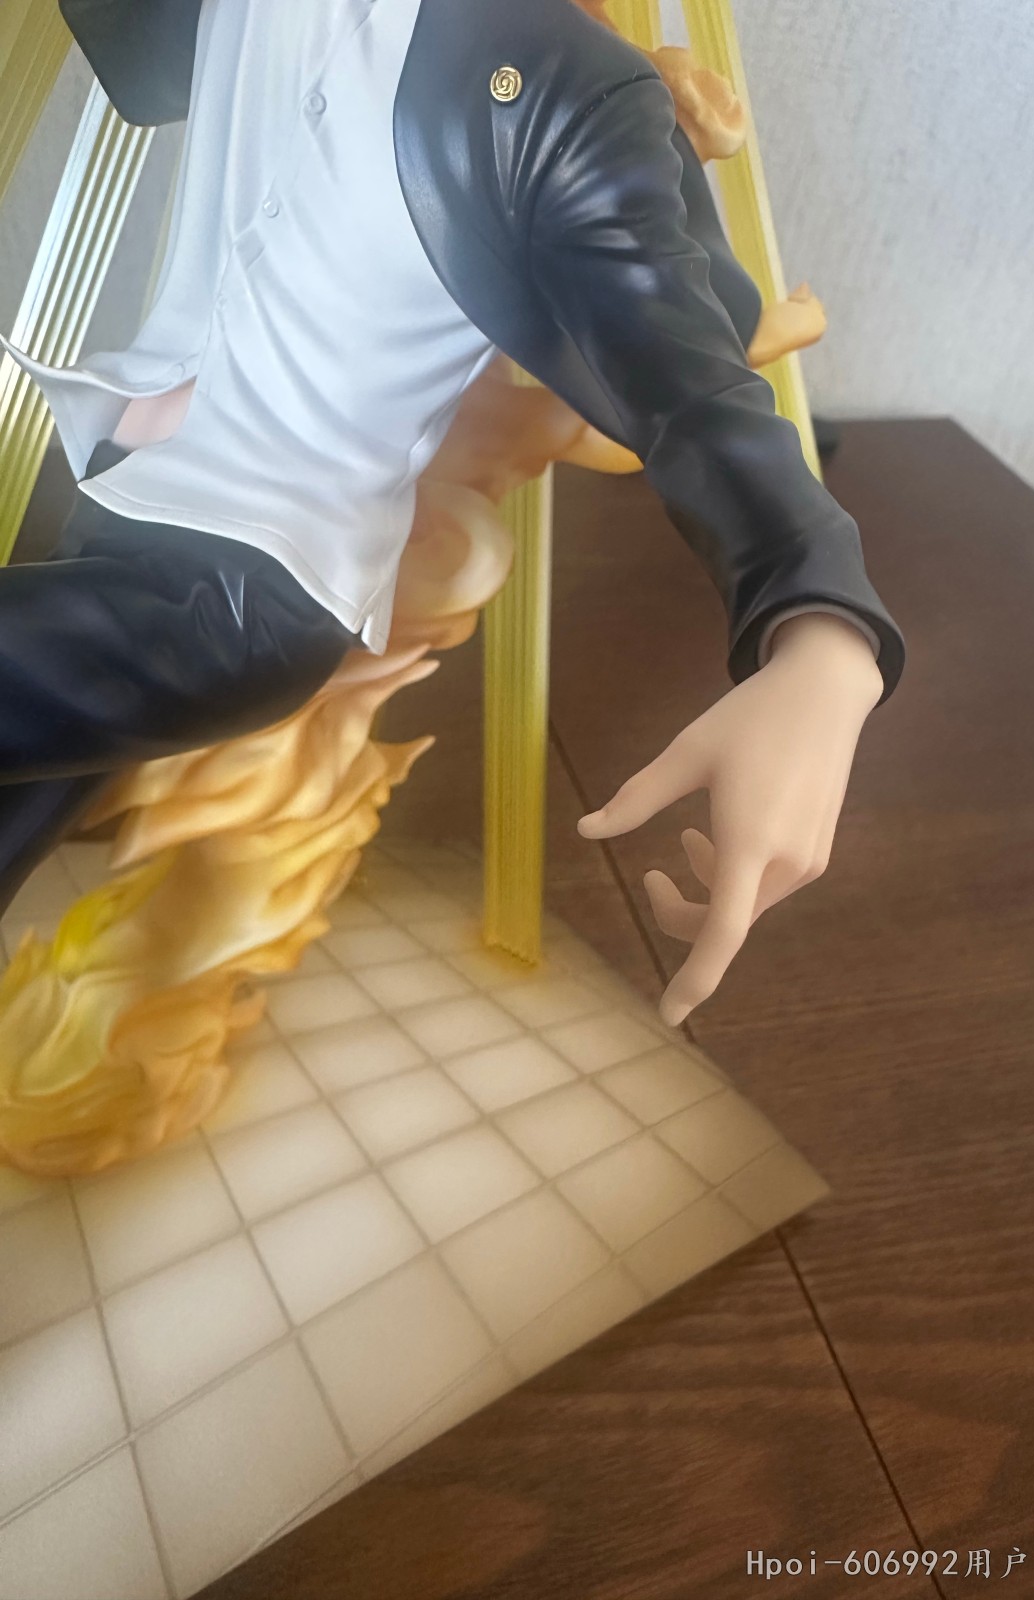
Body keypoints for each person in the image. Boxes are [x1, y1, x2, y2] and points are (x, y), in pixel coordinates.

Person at [0, 0, 905, 1026]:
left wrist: (824, 635)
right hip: (124, 476)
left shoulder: (555, 86)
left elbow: (697, 393)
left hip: (245, 587)